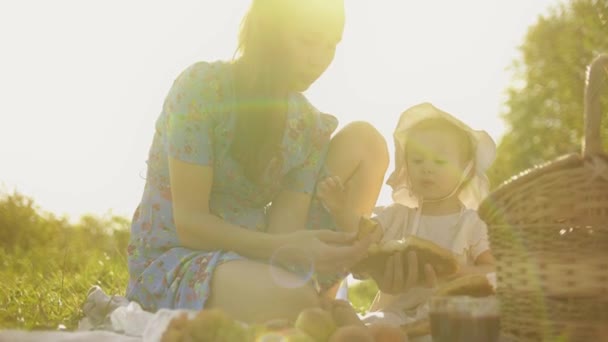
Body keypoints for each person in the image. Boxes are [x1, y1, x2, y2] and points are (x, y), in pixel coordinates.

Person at [125, 0, 389, 324]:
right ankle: (309, 308)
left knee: (366, 142)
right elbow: (191, 224)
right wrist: (284, 247)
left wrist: (361, 254)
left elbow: (284, 229)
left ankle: (318, 301)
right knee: (297, 303)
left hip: (259, 253)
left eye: (331, 45)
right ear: (271, 32)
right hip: (181, 255)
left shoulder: (307, 126)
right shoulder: (200, 89)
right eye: (307, 40)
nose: (320, 59)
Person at [318, 102, 497, 338]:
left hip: (448, 315)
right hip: (397, 313)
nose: (427, 168)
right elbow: (362, 236)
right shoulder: (396, 216)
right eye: (417, 160)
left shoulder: (472, 223)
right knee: (378, 326)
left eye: (439, 161)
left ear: (465, 168)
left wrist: (458, 271)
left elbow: (494, 269)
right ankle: (358, 329)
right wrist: (341, 209)